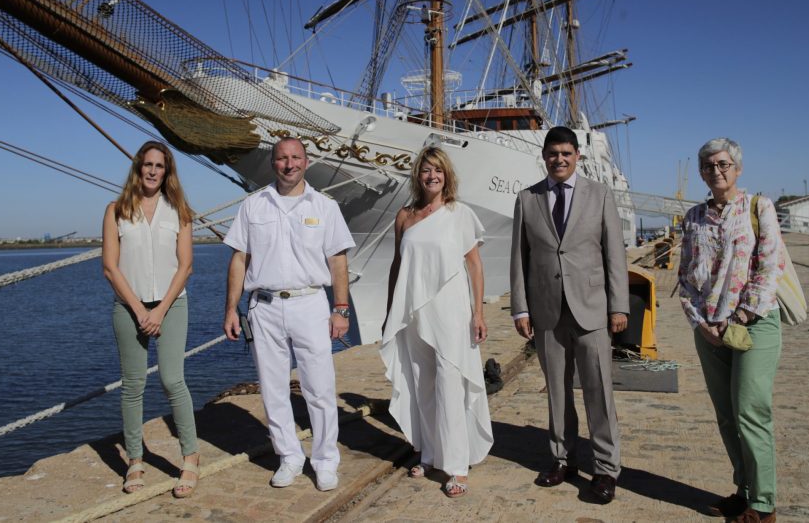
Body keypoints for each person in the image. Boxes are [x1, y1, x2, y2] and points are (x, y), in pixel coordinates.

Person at [222, 137, 354, 492]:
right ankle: (290, 457)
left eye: (296, 157)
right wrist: (231, 308)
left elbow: (338, 260)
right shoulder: (253, 206)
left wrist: (340, 308)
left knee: (320, 388)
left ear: (306, 162)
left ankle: (325, 461)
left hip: (310, 303)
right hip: (263, 307)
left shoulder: (325, 207)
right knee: (273, 389)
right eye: (282, 158)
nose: (289, 164)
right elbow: (239, 259)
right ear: (273, 163)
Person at [510, 126, 630, 504]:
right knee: (557, 393)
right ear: (544, 157)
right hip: (547, 309)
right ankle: (562, 459)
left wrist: (619, 306)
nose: (558, 159)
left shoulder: (600, 194)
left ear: (577, 155)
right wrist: (520, 307)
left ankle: (606, 469)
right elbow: (519, 258)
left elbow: (615, 254)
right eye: (552, 154)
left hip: (592, 309)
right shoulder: (527, 199)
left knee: (598, 392)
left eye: (565, 153)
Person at [678, 137, 784, 523]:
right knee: (726, 414)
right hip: (709, 330)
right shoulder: (692, 217)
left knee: (751, 411)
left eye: (723, 164)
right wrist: (700, 322)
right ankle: (744, 490)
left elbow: (768, 267)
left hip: (754, 324)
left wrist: (738, 317)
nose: (716, 171)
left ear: (737, 169)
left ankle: (764, 503)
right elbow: (685, 277)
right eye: (708, 166)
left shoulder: (759, 207)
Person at [381, 146, 493, 498]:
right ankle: (428, 453)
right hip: (414, 312)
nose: (432, 176)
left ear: (447, 175)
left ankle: (457, 465)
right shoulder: (405, 215)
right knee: (421, 383)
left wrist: (478, 311)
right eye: (426, 170)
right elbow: (398, 266)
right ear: (418, 175)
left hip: (451, 311)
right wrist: (389, 313)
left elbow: (474, 265)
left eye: (438, 170)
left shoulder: (459, 213)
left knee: (449, 381)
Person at [102, 140, 199, 498]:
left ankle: (190, 457)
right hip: (129, 307)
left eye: (159, 166)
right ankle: (135, 461)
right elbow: (110, 268)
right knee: (132, 386)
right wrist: (140, 310)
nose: (153, 171)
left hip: (171, 306)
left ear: (167, 171)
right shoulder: (116, 210)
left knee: (174, 381)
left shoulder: (180, 210)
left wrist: (158, 311)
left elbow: (186, 265)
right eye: (147, 164)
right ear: (138, 168)